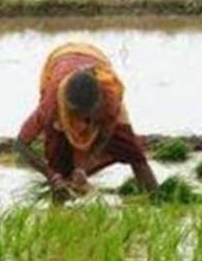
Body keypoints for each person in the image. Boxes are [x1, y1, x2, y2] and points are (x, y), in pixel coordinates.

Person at [14, 43, 157, 199]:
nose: (83, 124)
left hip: (95, 58)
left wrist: (83, 167)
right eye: (77, 116)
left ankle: (157, 200)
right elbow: (21, 144)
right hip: (60, 60)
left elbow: (105, 135)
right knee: (58, 159)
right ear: (67, 107)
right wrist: (51, 176)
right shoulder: (51, 106)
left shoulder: (109, 97)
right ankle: (58, 212)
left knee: (132, 151)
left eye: (89, 117)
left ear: (98, 105)